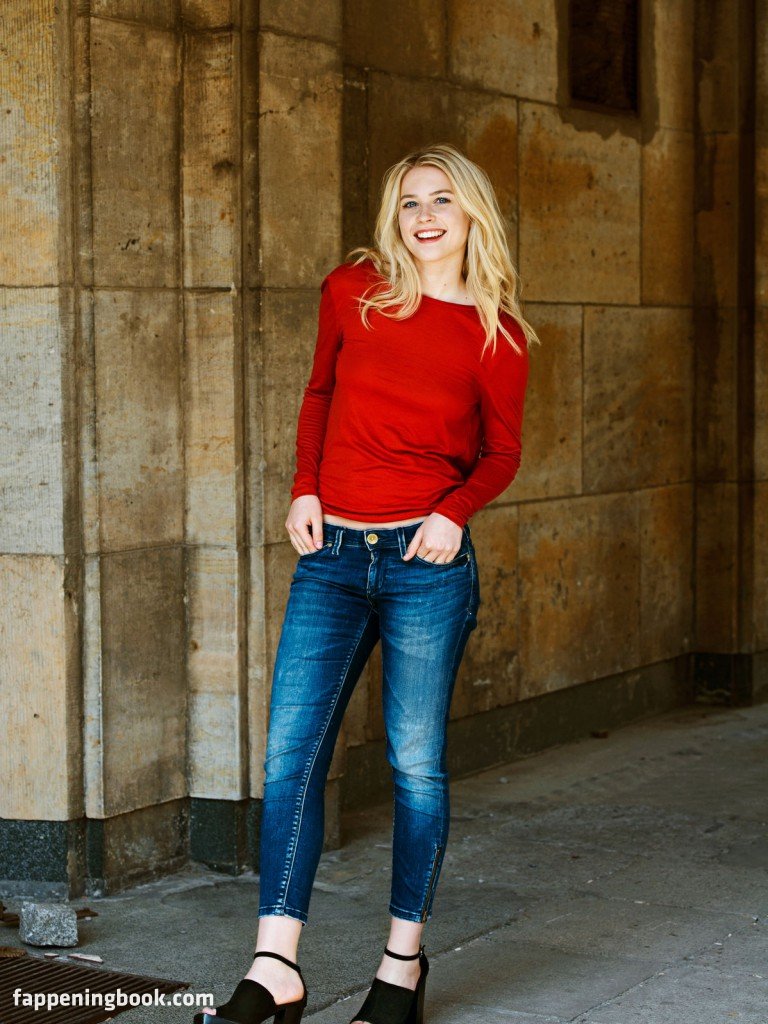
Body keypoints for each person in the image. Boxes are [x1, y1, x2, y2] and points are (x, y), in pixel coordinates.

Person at [195, 143, 540, 1024]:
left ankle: (401, 968)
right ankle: (275, 967)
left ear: (472, 215)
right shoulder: (352, 291)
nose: (425, 216)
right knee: (290, 759)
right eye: (410, 201)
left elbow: (501, 452)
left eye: (443, 200)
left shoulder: (496, 333)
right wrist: (303, 486)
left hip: (427, 566)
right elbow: (319, 394)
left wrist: (455, 511)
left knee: (415, 767)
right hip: (333, 556)